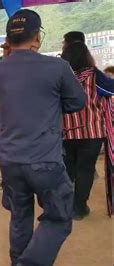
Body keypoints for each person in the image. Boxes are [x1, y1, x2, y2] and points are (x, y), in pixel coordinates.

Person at [0, 10, 86, 266]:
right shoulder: (57, 67)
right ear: (37, 38)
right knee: (59, 216)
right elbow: (78, 102)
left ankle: (17, 260)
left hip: (9, 160)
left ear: (8, 41)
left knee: (20, 216)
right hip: (44, 160)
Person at [61, 31, 114, 219]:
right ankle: (79, 208)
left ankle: (65, 206)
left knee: (66, 171)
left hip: (66, 133)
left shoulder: (60, 75)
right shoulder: (95, 76)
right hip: (92, 132)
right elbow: (111, 89)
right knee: (85, 170)